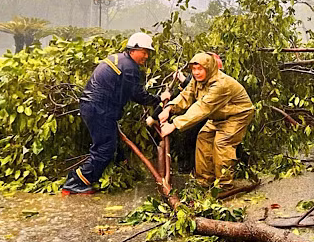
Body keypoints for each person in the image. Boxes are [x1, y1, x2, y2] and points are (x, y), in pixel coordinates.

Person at [61, 32, 171, 195]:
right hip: (99, 110)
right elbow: (137, 94)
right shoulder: (129, 67)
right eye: (144, 51)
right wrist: (158, 99)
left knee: (112, 145)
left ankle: (121, 165)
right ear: (133, 49)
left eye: (148, 52)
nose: (146, 56)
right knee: (105, 148)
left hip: (94, 107)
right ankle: (75, 183)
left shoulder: (119, 59)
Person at [158, 52, 254, 191]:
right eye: (194, 69)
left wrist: (174, 125)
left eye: (200, 69)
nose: (196, 73)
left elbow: (203, 107)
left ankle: (224, 185)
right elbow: (186, 95)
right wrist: (169, 108)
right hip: (218, 115)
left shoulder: (220, 84)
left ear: (208, 68)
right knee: (203, 138)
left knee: (222, 144)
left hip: (237, 115)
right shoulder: (197, 80)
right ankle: (204, 181)